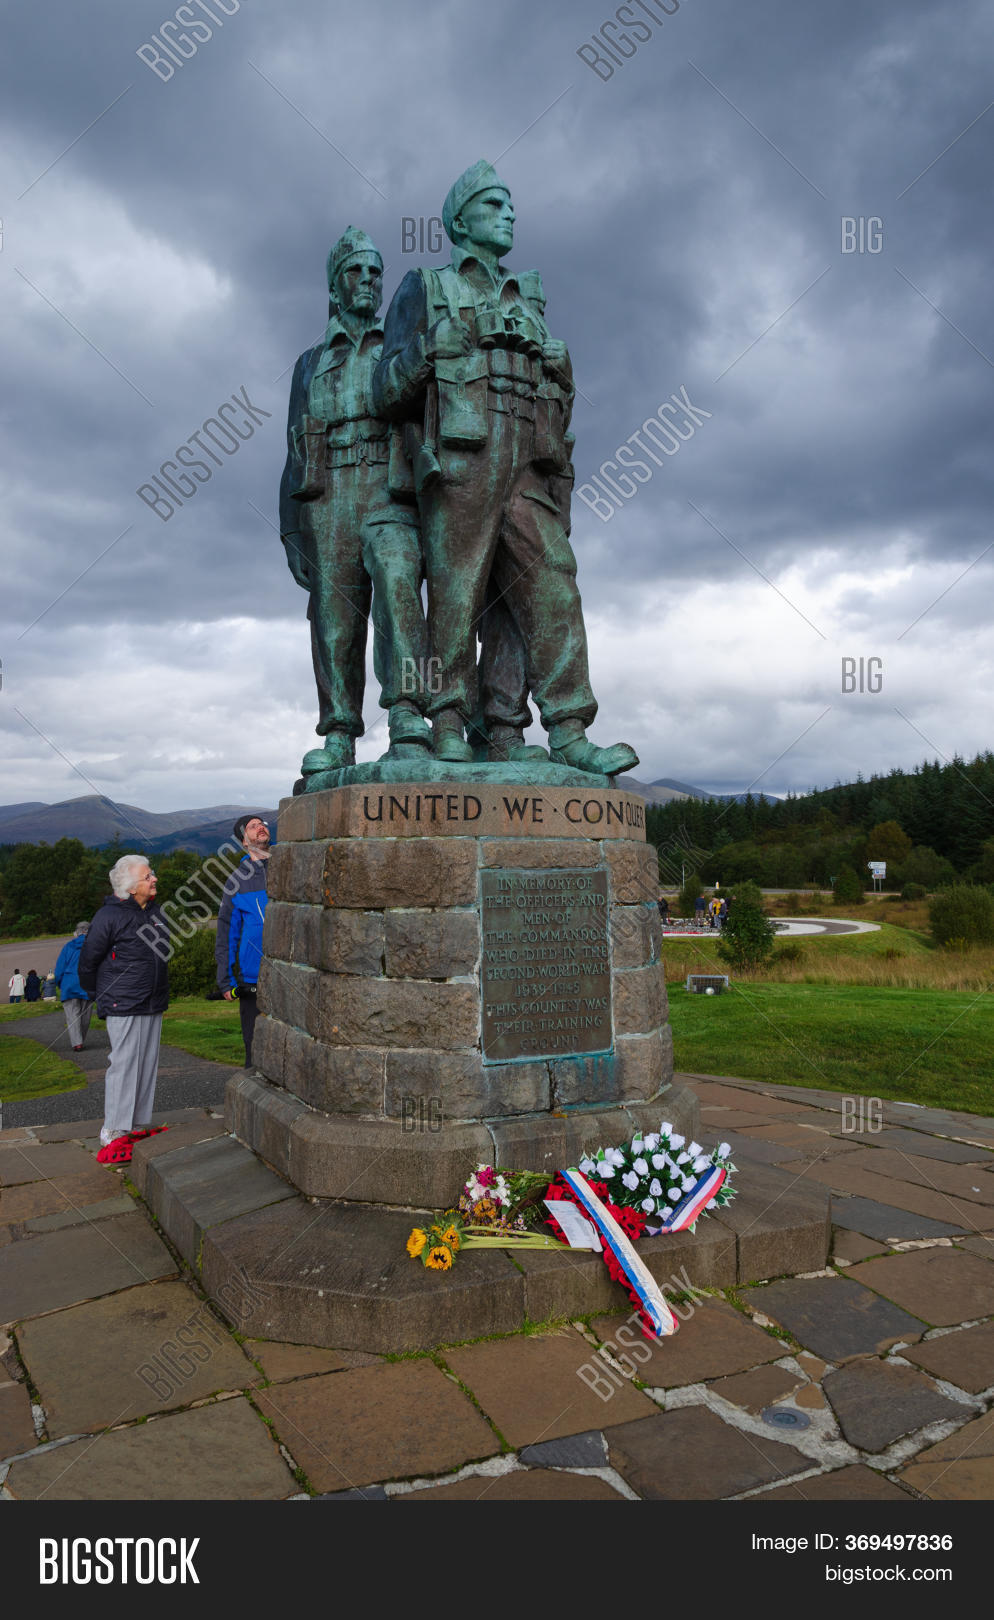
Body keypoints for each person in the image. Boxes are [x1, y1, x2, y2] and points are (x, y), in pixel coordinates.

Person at [374, 159, 638, 775]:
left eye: (511, 204)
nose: (510, 214)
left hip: (527, 455)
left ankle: (565, 729)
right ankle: (447, 721)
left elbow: (558, 395)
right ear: (459, 221)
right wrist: (426, 351)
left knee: (552, 580)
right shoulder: (427, 285)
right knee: (456, 591)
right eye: (494, 204)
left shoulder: (527, 295)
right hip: (464, 452)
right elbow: (385, 389)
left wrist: (561, 366)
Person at [280, 228, 433, 782]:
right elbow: (292, 450)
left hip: (387, 487)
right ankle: (339, 732)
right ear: (334, 286)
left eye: (375, 272)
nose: (368, 280)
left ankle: (408, 715)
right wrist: (291, 531)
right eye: (356, 271)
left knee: (398, 580)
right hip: (327, 496)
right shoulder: (309, 363)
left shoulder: (398, 344)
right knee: (333, 616)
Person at [79, 855, 170, 1165]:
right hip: (122, 1001)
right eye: (147, 877)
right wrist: (99, 995)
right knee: (124, 1063)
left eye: (151, 874)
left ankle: (136, 1124)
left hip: (152, 1000)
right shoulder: (108, 916)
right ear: (131, 887)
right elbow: (88, 961)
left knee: (146, 1063)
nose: (154, 879)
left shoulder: (156, 912)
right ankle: (114, 1129)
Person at [215, 814, 270, 1066]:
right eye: (252, 826)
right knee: (255, 1044)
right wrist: (225, 979)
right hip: (253, 976)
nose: (260, 827)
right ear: (244, 841)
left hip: (292, 973)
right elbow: (227, 933)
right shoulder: (236, 882)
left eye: (262, 824)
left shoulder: (289, 864)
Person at [54, 921, 94, 1050]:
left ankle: (77, 1043)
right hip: (88, 984)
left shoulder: (68, 946)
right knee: (85, 1016)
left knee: (72, 1015)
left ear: (76, 932)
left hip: (69, 984)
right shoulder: (94, 946)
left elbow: (59, 969)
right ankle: (80, 1040)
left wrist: (60, 983)